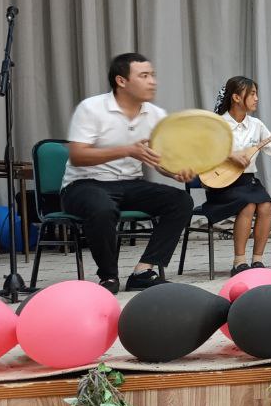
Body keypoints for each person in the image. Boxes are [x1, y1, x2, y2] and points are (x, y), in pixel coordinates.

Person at [59, 53, 196, 294]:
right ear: (121, 81)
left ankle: (143, 271)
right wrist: (127, 150)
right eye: (144, 76)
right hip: (83, 184)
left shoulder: (156, 114)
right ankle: (108, 276)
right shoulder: (91, 108)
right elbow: (78, 155)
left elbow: (158, 159)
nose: (152, 81)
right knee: (102, 207)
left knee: (181, 201)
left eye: (152, 75)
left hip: (130, 184)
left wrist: (175, 172)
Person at [204, 76, 271, 275]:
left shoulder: (256, 125)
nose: (257, 98)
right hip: (221, 184)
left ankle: (257, 260)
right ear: (236, 97)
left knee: (266, 206)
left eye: (257, 94)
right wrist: (230, 155)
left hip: (248, 182)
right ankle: (239, 262)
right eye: (252, 94)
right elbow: (201, 153)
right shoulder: (217, 124)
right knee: (248, 205)